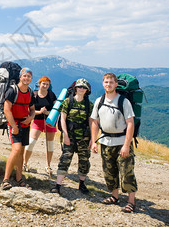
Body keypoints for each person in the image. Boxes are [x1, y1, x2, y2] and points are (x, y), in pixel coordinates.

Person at [90, 73, 137, 213]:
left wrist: (127, 145)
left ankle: (131, 202)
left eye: (111, 82)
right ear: (103, 83)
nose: (108, 84)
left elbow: (130, 124)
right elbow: (94, 122)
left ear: (116, 84)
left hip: (122, 142)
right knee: (109, 172)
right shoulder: (100, 100)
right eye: (106, 82)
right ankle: (114, 197)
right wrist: (93, 142)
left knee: (127, 172)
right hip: (105, 142)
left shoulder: (123, 101)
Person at [52, 78, 93, 194]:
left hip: (84, 138)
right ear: (75, 89)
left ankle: (82, 184)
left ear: (87, 90)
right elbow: (63, 119)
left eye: (84, 87)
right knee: (65, 159)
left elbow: (91, 122)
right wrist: (65, 135)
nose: (81, 89)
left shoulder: (89, 105)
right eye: (79, 87)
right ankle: (58, 185)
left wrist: (92, 139)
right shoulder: (67, 102)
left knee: (84, 161)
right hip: (70, 135)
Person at [1, 67, 35, 190]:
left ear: (31, 78)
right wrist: (14, 126)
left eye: (29, 76)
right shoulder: (12, 90)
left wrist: (30, 118)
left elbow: (32, 109)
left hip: (25, 124)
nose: (26, 78)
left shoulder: (30, 92)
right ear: (20, 77)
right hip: (14, 124)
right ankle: (5, 180)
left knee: (21, 151)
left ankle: (19, 178)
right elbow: (6, 109)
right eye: (24, 76)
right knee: (16, 150)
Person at [23, 76, 57, 174]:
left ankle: (48, 166)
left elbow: (56, 109)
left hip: (50, 121)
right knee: (31, 143)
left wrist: (48, 113)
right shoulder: (34, 95)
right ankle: (24, 164)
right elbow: (30, 110)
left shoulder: (51, 95)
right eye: (43, 83)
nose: (45, 86)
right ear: (39, 84)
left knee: (49, 145)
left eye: (47, 84)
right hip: (37, 121)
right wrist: (40, 112)